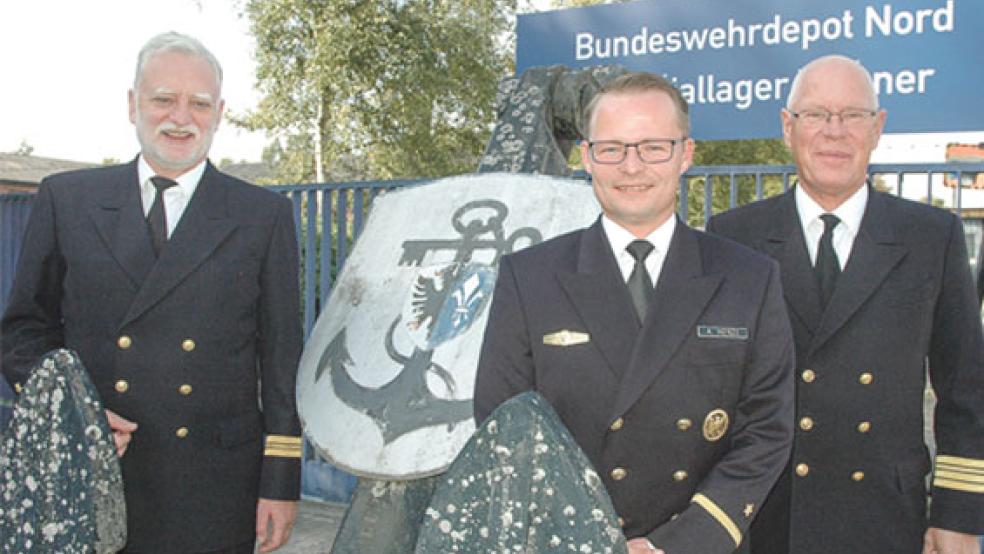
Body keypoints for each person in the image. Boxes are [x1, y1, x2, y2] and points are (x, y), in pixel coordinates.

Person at [1, 32, 303, 553]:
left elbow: (281, 360)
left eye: (199, 103)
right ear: (132, 104)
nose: (180, 117)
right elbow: (23, 331)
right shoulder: (67, 199)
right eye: (163, 99)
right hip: (94, 469)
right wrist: (73, 409)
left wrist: (280, 483)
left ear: (219, 112)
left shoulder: (262, 215)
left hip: (213, 485)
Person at [474, 72, 796, 554]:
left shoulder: (748, 278)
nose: (632, 166)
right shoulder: (529, 278)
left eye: (652, 147)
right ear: (587, 157)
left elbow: (767, 429)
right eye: (612, 148)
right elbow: (503, 427)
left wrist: (681, 542)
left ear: (685, 154)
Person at [707, 55, 984, 554]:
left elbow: (966, 387)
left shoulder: (930, 237)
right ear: (787, 127)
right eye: (816, 115)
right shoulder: (733, 236)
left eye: (853, 115)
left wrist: (958, 514)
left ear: (877, 128)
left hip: (885, 517)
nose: (835, 132)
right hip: (766, 517)